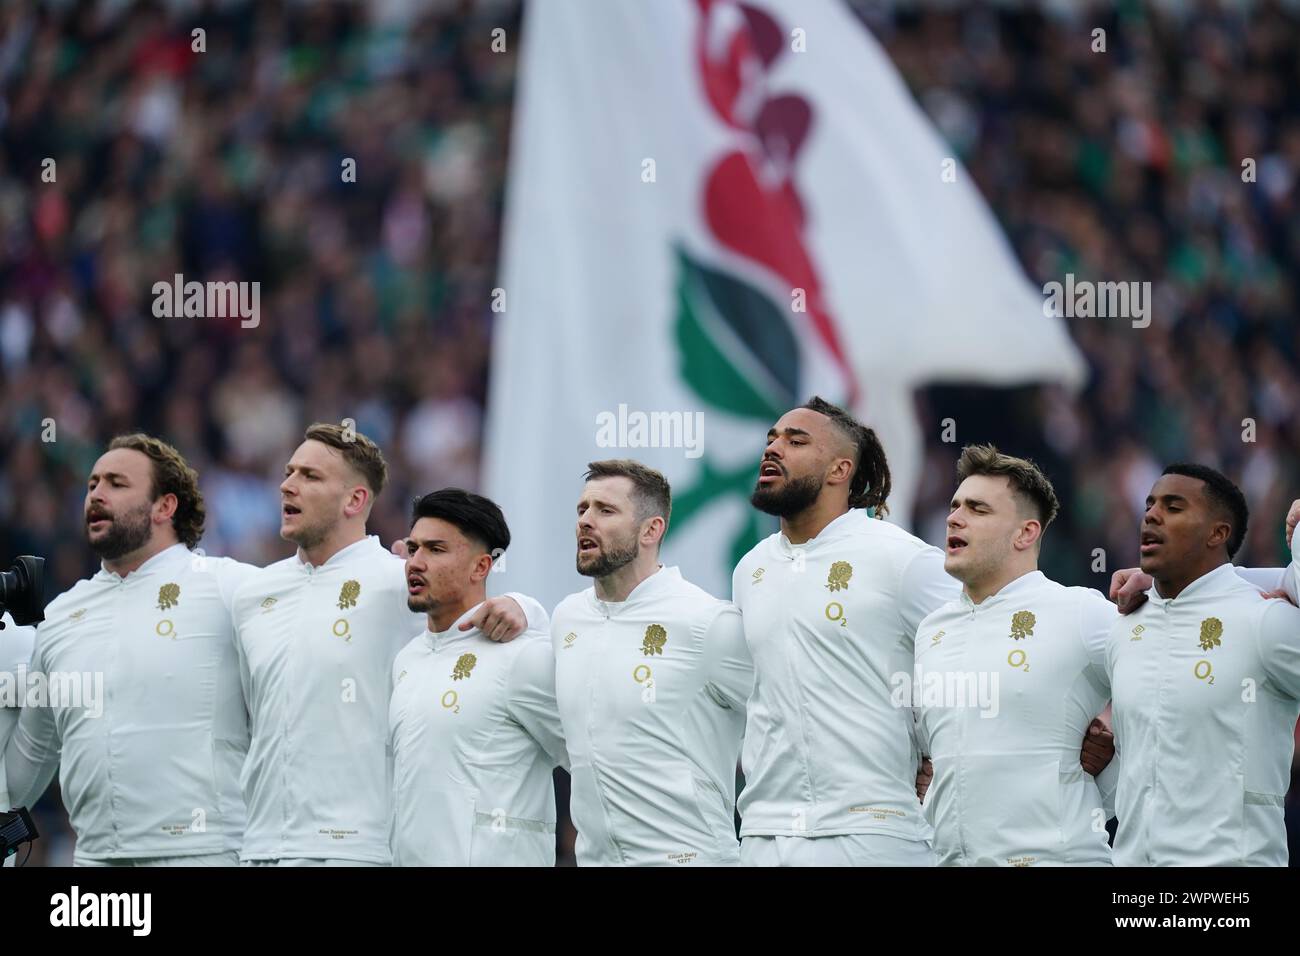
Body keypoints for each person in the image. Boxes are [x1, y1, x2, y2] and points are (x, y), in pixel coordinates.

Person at [233, 423, 541, 866]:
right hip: (259, 847)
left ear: (355, 500)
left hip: (356, 848)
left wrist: (524, 605)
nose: (287, 485)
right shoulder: (252, 594)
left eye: (310, 476)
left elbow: (484, 617)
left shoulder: (400, 582)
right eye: (289, 472)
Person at [5, 434, 255, 866]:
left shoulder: (230, 587)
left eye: (117, 484)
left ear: (165, 506)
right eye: (92, 484)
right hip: (95, 859)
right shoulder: (61, 616)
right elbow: (26, 764)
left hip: (205, 851)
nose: (97, 494)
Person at [734, 397, 954, 866]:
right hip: (762, 834)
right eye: (771, 439)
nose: (773, 448)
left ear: (840, 470)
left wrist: (939, 749)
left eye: (796, 441)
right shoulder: (750, 569)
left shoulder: (902, 559)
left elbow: (979, 644)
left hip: (871, 831)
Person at [914, 444, 1114, 866]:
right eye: (954, 506)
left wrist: (1116, 725)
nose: (954, 517)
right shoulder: (932, 630)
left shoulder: (1080, 611)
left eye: (978, 509)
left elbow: (1167, 674)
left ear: (1026, 533)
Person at [551, 459, 752, 866]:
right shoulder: (566, 618)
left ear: (651, 529)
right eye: (582, 509)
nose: (586, 521)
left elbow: (790, 709)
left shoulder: (705, 621)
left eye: (605, 511)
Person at [1105, 464, 1300, 865]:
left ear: (1218, 533)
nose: (1152, 515)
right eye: (1150, 505)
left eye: (1174, 507)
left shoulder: (1265, 619)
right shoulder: (1124, 624)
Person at [390, 489, 566, 866]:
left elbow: (590, 757)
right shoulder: (406, 661)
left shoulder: (522, 656)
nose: (415, 562)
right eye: (413, 548)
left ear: (481, 567)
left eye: (435, 550)